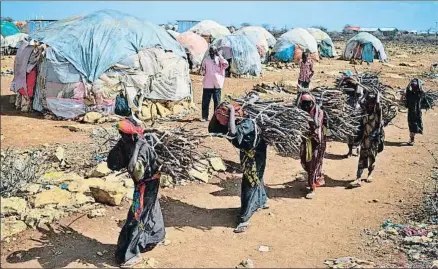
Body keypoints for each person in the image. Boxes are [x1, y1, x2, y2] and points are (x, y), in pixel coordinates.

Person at [107, 117, 165, 268]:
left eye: (125, 135)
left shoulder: (143, 148)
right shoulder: (125, 143)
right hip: (142, 183)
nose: (122, 137)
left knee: (136, 216)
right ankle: (156, 236)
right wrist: (119, 147)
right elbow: (112, 164)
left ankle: (131, 253)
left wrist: (138, 147)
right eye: (121, 134)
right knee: (151, 208)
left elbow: (136, 172)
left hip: (147, 184)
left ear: (133, 135)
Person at [208, 101, 269, 233]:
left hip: (255, 155)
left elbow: (234, 133)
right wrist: (217, 113)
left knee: (250, 183)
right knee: (256, 177)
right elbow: (212, 129)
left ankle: (244, 217)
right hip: (247, 154)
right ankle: (262, 200)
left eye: (222, 119)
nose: (220, 122)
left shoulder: (248, 124)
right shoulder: (229, 123)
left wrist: (229, 114)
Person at [350, 93, 384, 188]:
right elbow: (360, 102)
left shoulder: (377, 113)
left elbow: (378, 127)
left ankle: (370, 174)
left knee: (372, 157)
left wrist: (374, 135)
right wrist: (366, 93)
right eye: (369, 103)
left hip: (374, 140)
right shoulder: (364, 111)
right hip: (365, 140)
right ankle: (358, 178)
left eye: (372, 103)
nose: (370, 105)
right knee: (362, 157)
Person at [298, 93, 327, 199]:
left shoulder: (318, 112)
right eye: (304, 103)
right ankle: (314, 179)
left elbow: (317, 124)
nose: (306, 105)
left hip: (316, 142)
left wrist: (308, 121)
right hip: (306, 141)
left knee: (313, 164)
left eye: (308, 103)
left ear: (312, 102)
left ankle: (312, 187)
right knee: (305, 161)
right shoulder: (302, 111)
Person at [200, 46, 229, 122]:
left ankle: (216, 117)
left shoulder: (219, 59)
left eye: (214, 51)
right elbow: (203, 70)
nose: (212, 53)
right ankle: (204, 117)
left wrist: (219, 56)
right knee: (206, 101)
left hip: (217, 83)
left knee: (217, 101)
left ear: (216, 51)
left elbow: (226, 64)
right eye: (211, 51)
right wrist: (203, 71)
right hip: (208, 83)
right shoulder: (206, 60)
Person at [405, 78, 424, 146]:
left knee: (413, 125)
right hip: (415, 112)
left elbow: (406, 101)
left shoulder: (415, 92)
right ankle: (412, 138)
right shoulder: (418, 93)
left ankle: (412, 139)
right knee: (413, 124)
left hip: (415, 112)